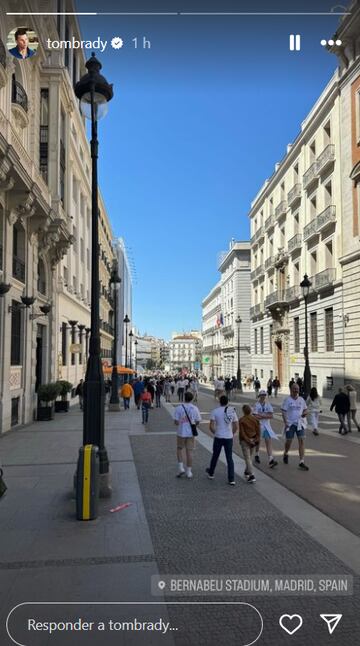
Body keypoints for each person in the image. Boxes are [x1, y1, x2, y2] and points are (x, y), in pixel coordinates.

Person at [206, 395, 238, 485]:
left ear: (219, 401)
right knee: (229, 458)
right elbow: (236, 425)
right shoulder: (232, 411)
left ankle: (211, 473)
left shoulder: (215, 411)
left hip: (218, 436)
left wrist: (215, 433)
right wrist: (232, 433)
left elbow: (211, 426)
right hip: (228, 437)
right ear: (227, 402)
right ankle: (231, 479)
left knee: (215, 455)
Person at [173, 391, 201, 479]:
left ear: (184, 398)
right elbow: (198, 421)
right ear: (192, 398)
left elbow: (176, 422)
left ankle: (181, 467)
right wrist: (193, 425)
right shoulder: (195, 408)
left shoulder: (178, 408)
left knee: (179, 448)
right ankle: (189, 471)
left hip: (181, 432)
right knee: (189, 451)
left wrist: (181, 422)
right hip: (191, 433)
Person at [282, 383, 309, 470]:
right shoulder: (287, 400)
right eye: (294, 389)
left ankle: (301, 461)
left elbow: (305, 409)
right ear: (291, 389)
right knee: (289, 441)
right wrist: (286, 422)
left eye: (297, 389)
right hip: (290, 424)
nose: (296, 390)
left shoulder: (301, 400)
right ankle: (286, 453)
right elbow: (283, 412)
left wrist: (305, 413)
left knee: (301, 441)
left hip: (300, 423)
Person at [253, 389, 278, 467]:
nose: (263, 397)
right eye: (262, 395)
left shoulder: (268, 405)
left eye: (264, 395)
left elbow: (271, 415)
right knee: (258, 441)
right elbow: (255, 416)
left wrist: (262, 415)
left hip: (266, 426)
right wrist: (265, 415)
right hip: (258, 425)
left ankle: (271, 459)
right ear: (259, 396)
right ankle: (257, 454)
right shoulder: (256, 405)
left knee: (268, 440)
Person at [239, 404, 260, 483]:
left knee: (247, 457)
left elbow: (242, 433)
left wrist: (248, 440)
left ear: (243, 411)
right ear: (250, 411)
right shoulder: (256, 420)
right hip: (254, 439)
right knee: (250, 457)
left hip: (245, 441)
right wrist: (256, 439)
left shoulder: (242, 420)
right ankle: (247, 471)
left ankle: (252, 474)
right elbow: (258, 432)